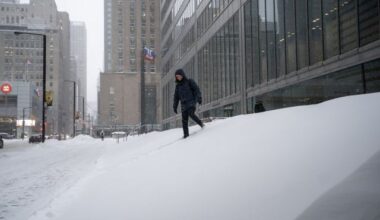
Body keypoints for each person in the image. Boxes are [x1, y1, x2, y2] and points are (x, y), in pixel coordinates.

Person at [173, 69, 204, 138]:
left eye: (178, 76)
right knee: (184, 120)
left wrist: (199, 98)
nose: (178, 77)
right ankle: (186, 135)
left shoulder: (189, 81)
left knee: (191, 114)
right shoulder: (177, 87)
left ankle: (201, 123)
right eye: (176, 77)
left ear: (182, 75)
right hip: (183, 105)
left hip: (191, 103)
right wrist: (175, 106)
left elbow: (197, 90)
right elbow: (176, 97)